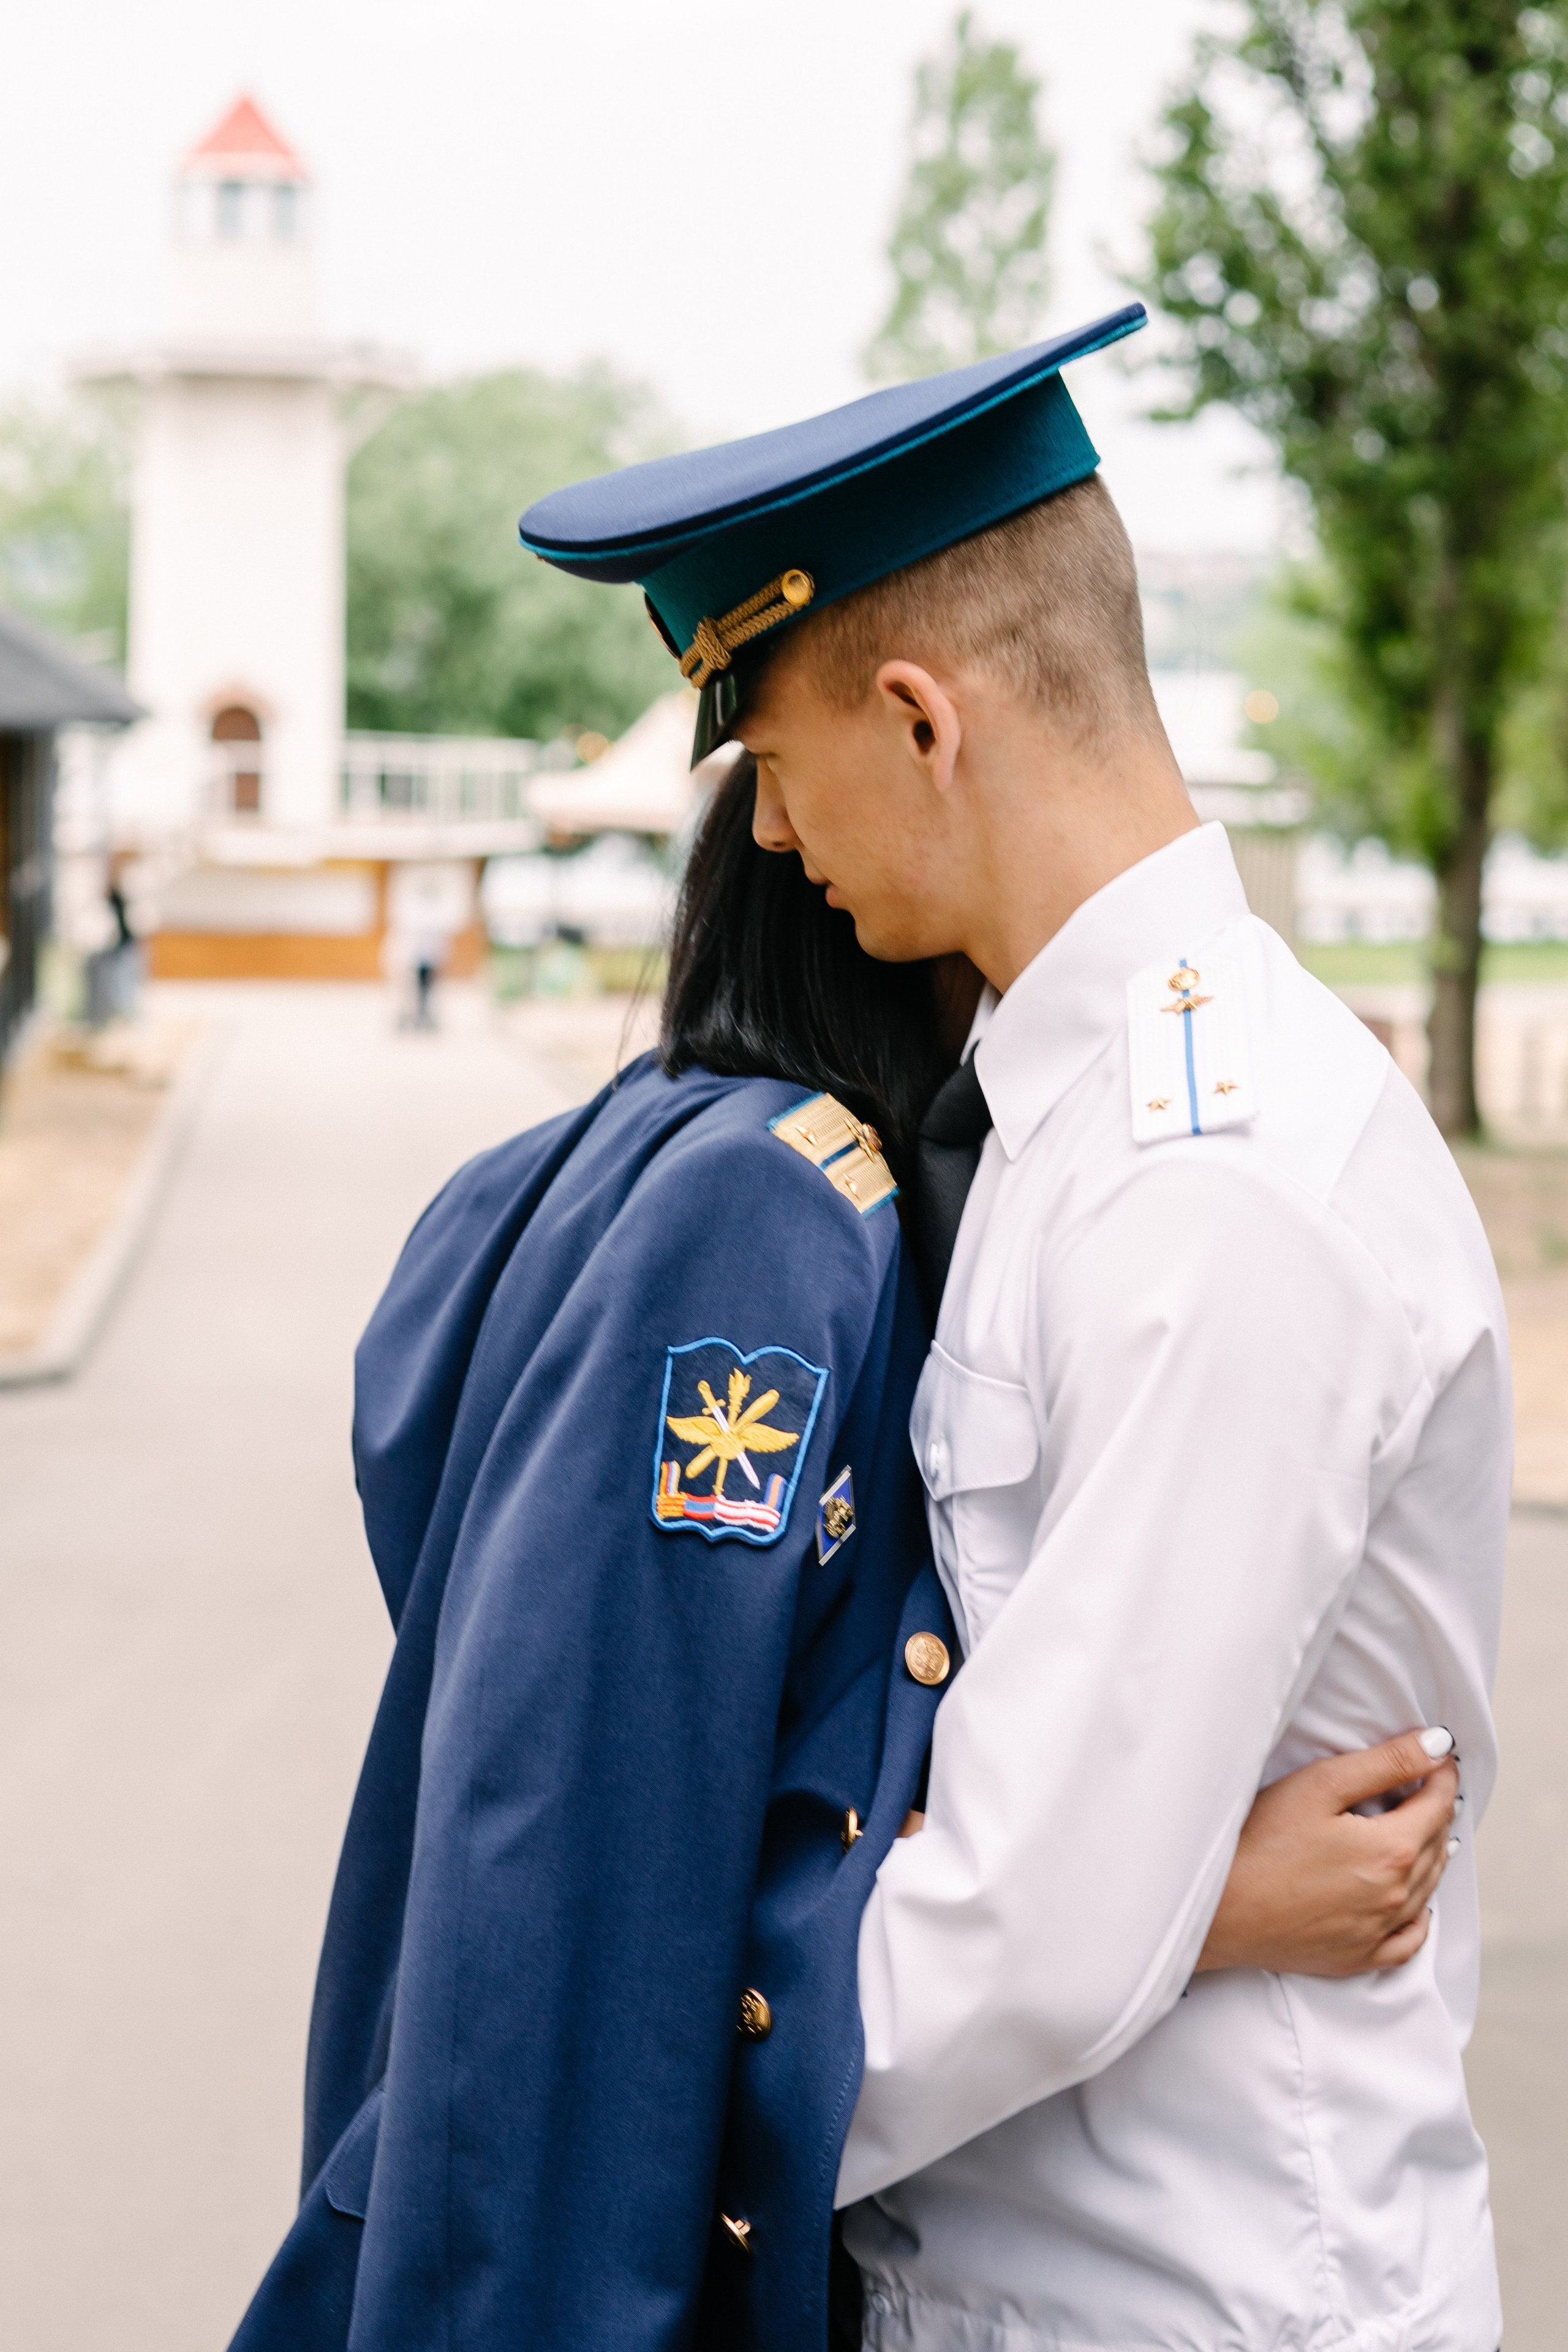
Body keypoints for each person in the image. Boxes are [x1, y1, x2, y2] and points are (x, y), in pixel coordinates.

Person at [519, 306, 1507, 2352]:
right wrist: (1202, 1900)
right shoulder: (1067, 1114)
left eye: (773, 765)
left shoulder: (1207, 1183)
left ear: (921, 719)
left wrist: (599, 2122)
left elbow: (1033, 1924)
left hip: (1186, 2300)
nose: (771, 841)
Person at [227, 747, 1461, 2352]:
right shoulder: (775, 1210)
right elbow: (612, 1863)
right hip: (578, 2245)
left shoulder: (639, 1145)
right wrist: (1199, 1905)